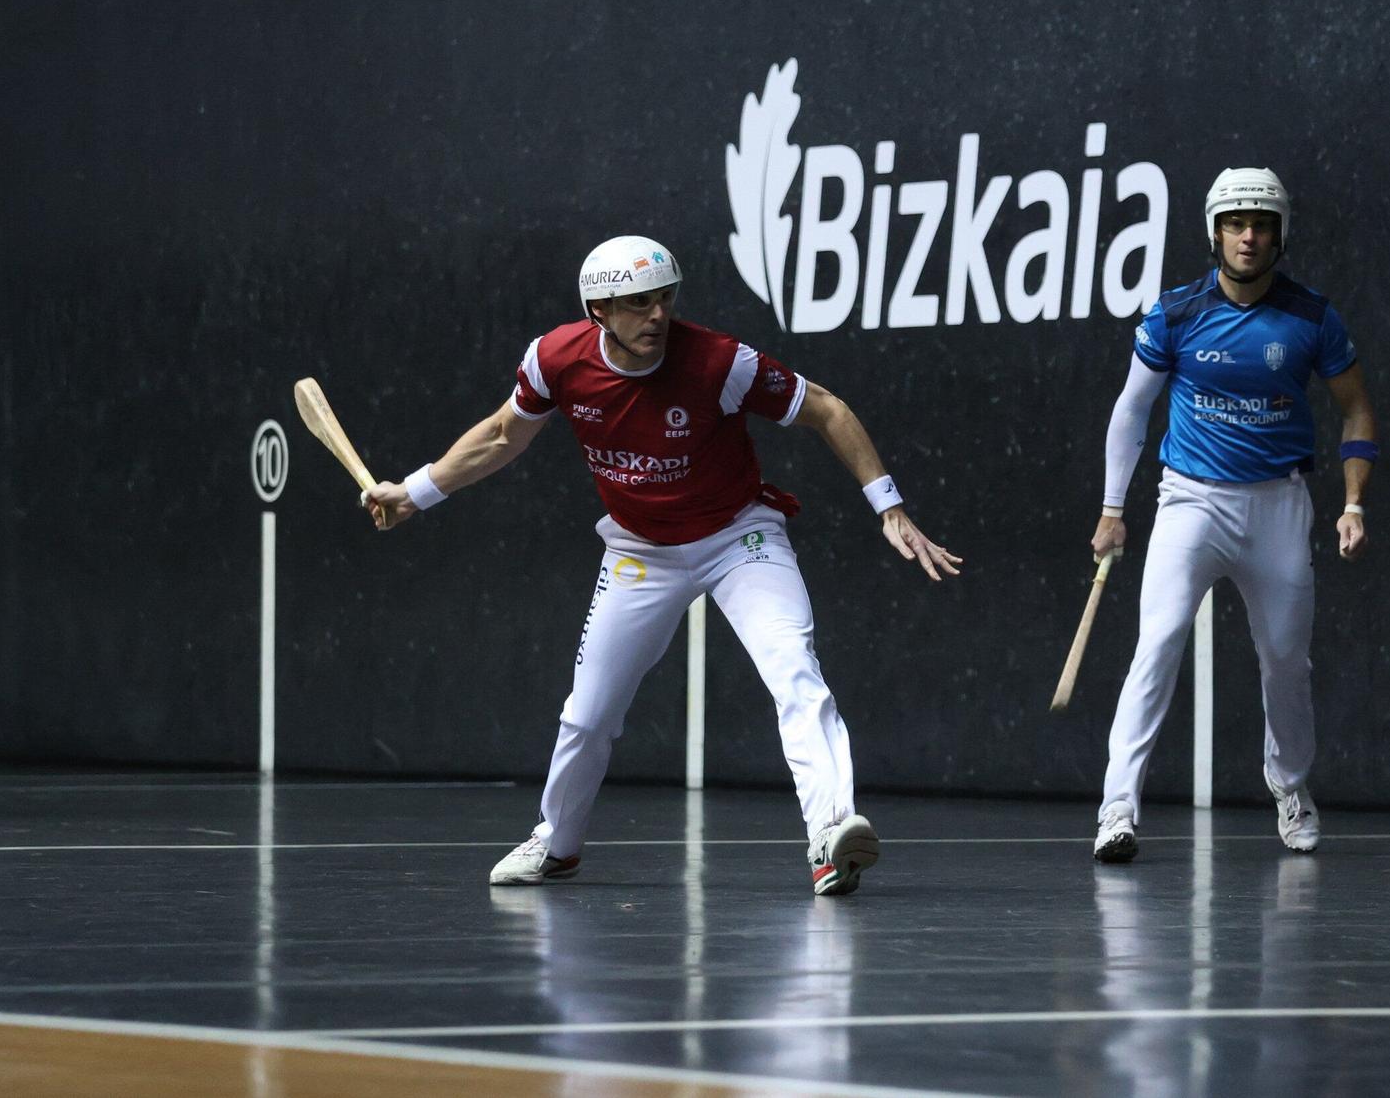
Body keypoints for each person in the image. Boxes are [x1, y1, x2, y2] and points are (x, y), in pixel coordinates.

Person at [362, 235, 961, 894]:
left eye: (666, 299)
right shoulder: (555, 360)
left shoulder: (720, 362)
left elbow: (825, 408)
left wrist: (888, 505)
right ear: (599, 309)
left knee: (794, 669)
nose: (657, 316)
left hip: (740, 538)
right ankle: (555, 844)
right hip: (640, 549)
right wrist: (416, 492)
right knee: (588, 713)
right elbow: (503, 435)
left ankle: (831, 834)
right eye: (638, 302)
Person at [1088, 168, 1377, 861]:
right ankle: (1118, 808)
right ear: (1214, 232)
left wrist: (1354, 501)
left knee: (1285, 659)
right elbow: (1132, 409)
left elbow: (1357, 406)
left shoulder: (1311, 317)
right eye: (1236, 223)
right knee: (1156, 644)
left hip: (1279, 505)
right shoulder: (1176, 313)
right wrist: (1112, 507)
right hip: (1191, 501)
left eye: (1262, 224)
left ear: (1280, 236)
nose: (1249, 236)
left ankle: (1292, 786)